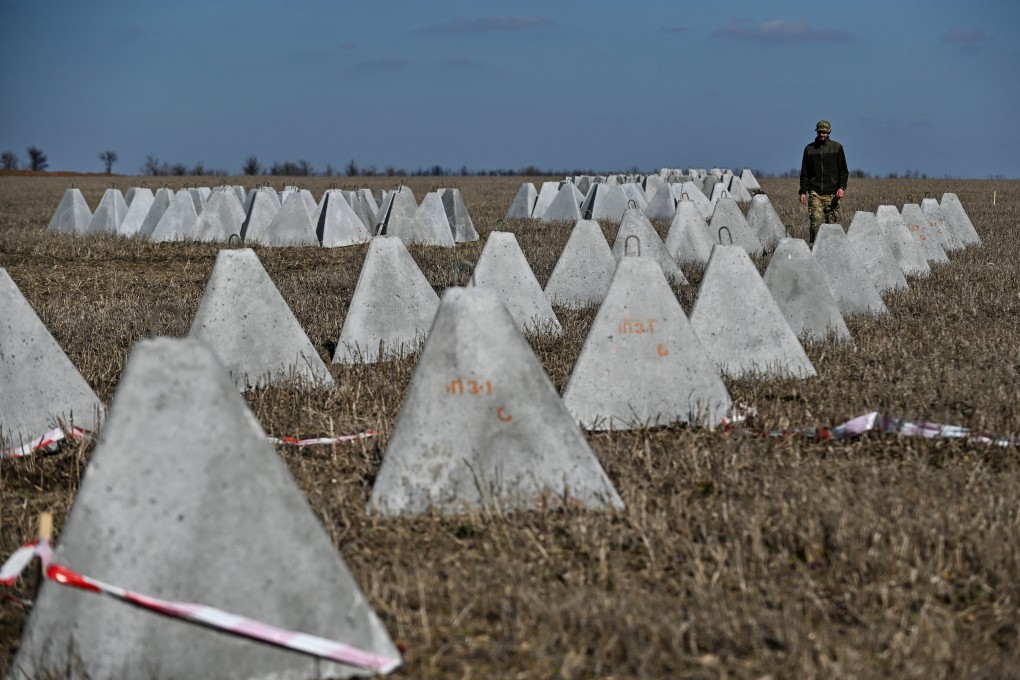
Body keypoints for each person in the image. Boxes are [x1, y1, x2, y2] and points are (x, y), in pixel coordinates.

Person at [799, 120, 848, 245]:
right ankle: (814, 247)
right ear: (817, 132)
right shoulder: (809, 149)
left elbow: (843, 171)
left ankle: (831, 249)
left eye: (825, 132)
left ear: (829, 132)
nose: (822, 134)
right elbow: (804, 173)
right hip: (815, 192)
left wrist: (841, 187)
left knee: (831, 225)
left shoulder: (837, 147)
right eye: (820, 132)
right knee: (815, 221)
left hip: (832, 193)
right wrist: (803, 191)